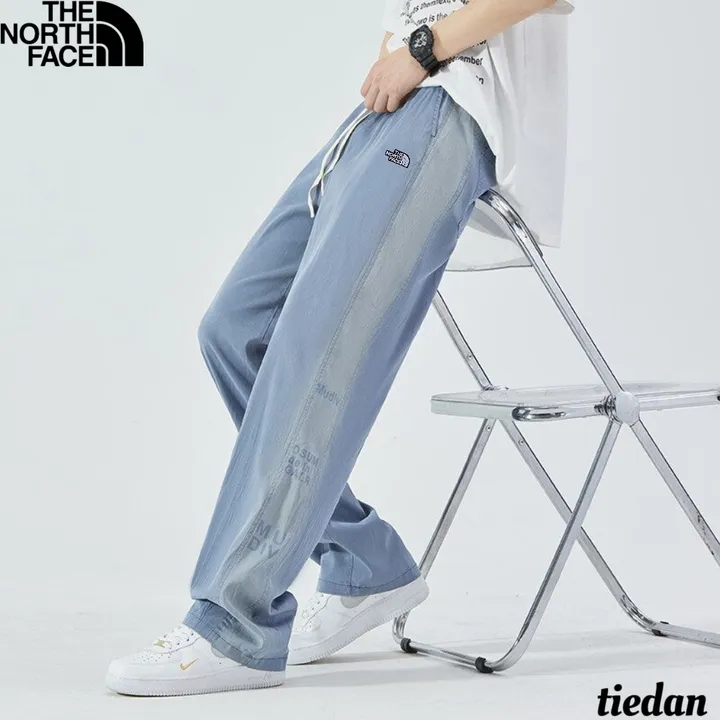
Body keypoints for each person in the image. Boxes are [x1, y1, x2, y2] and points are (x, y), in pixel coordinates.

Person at [106, 0, 574, 696]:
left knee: (315, 346)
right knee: (236, 327)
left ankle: (236, 623)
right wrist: (399, 54)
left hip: (454, 104)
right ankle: (364, 562)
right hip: (389, 104)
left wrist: (421, 50)